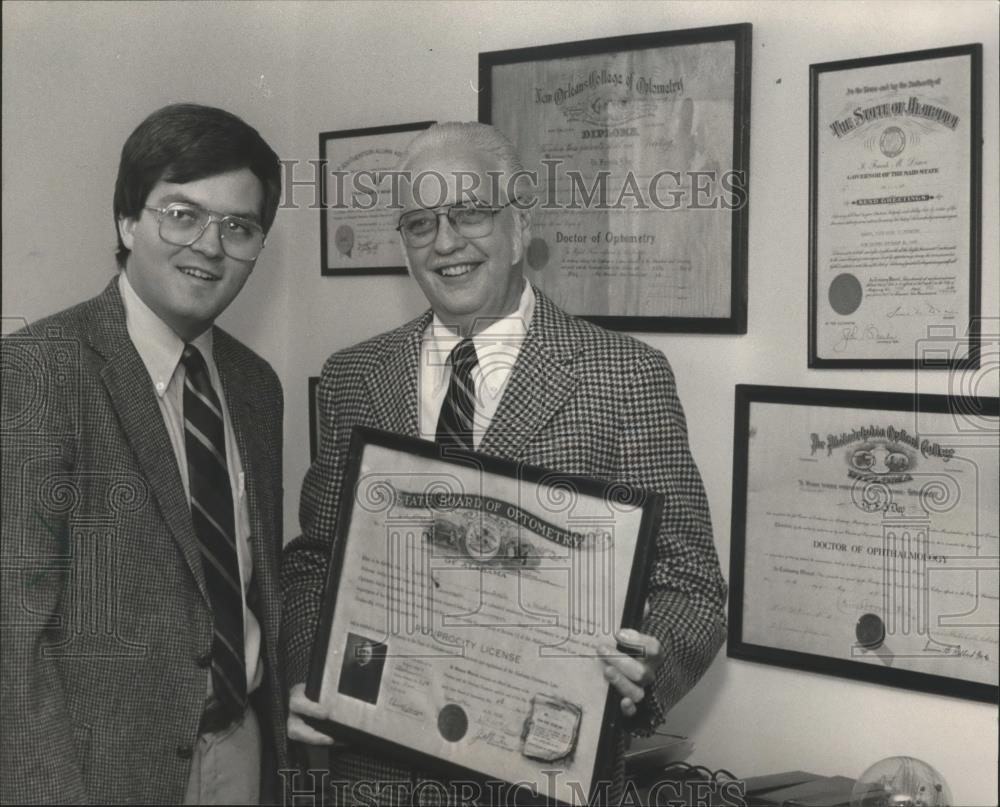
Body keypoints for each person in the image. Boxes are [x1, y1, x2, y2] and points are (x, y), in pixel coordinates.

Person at [281, 121, 726, 804]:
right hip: (376, 779)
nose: (446, 241)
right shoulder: (354, 376)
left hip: (545, 773)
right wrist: (312, 674)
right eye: (421, 222)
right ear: (404, 246)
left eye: (470, 213)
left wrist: (640, 676)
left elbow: (692, 584)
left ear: (520, 229)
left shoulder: (622, 376)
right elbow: (316, 559)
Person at [1, 103, 287, 804]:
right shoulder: (37, 372)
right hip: (103, 774)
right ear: (128, 221)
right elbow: (15, 640)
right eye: (182, 214)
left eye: (239, 227)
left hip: (244, 747)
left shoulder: (255, 385)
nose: (211, 246)